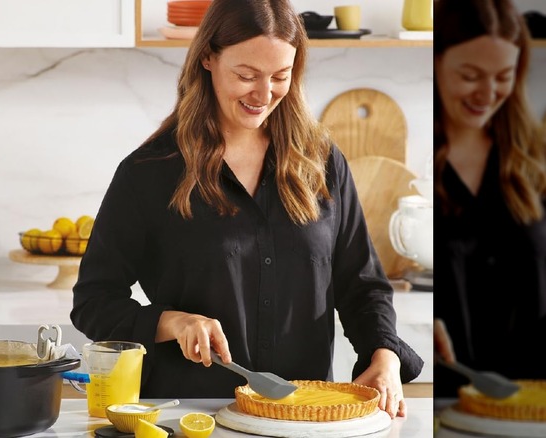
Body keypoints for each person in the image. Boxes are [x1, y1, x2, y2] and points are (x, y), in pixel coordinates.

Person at [71, 0, 423, 418]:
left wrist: (384, 355)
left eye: (280, 77)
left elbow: (362, 285)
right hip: (191, 416)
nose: (264, 93)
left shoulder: (322, 163)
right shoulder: (149, 172)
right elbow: (93, 300)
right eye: (246, 75)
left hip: (303, 418)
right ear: (207, 58)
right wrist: (173, 322)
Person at [434, 0, 546, 398]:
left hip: (531, 402)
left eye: (503, 76)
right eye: (470, 75)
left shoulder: (531, 163)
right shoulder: (423, 166)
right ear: (435, 62)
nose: (488, 93)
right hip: (447, 402)